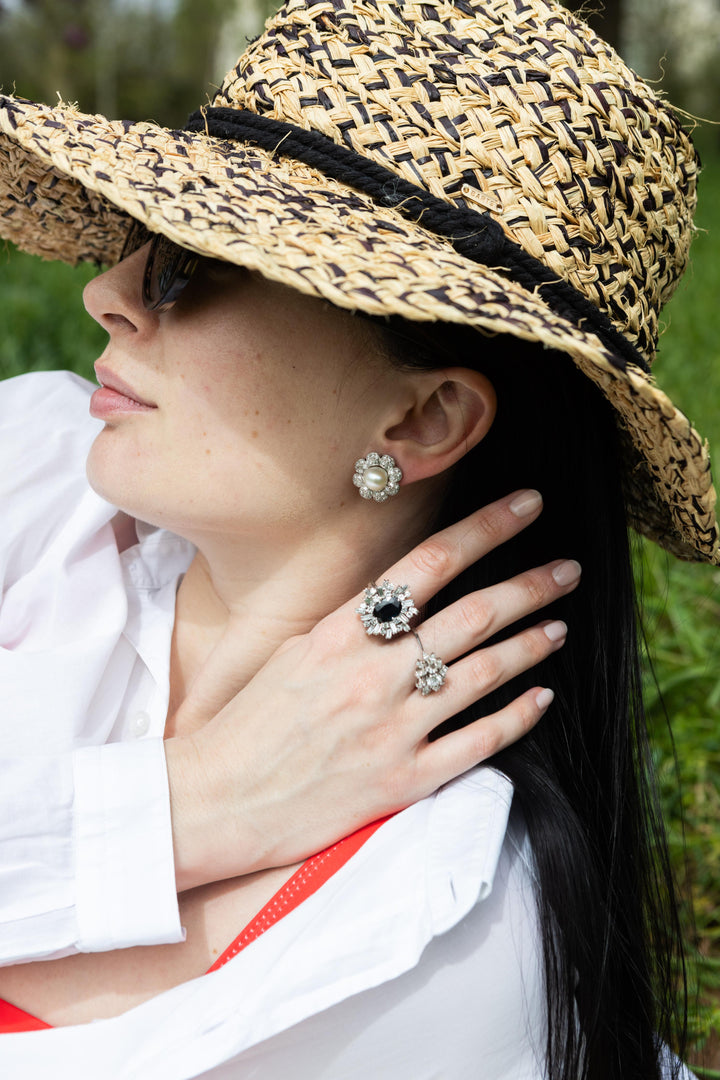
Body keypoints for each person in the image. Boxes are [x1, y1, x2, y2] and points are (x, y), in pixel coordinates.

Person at [0, 0, 716, 1077]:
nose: (108, 295)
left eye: (194, 267)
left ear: (422, 421)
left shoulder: (443, 926)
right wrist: (191, 804)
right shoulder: (36, 472)